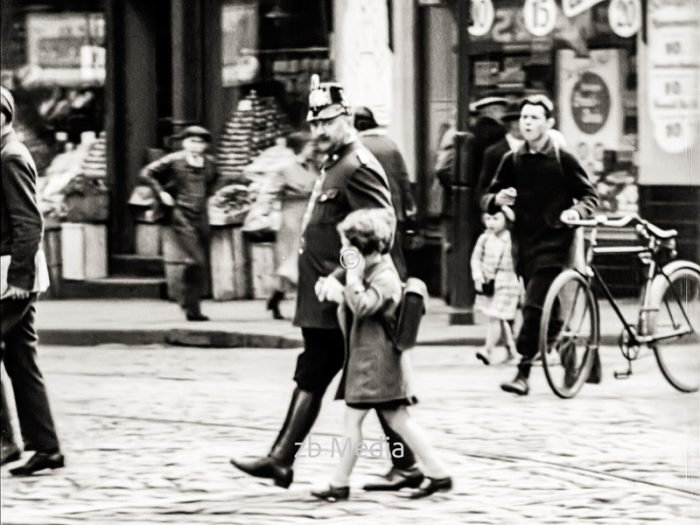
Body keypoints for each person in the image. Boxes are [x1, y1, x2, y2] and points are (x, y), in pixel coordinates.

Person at [230, 75, 425, 491]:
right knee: (359, 378)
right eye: (314, 123)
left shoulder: (357, 163)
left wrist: (342, 275)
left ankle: (282, 459)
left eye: (328, 121)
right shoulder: (334, 161)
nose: (319, 130)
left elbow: (379, 231)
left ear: (347, 117)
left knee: (329, 373)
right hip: (324, 294)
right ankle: (404, 464)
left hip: (341, 296)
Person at [311, 209, 452, 502]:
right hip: (371, 364)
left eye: (346, 245)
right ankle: (438, 474)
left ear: (363, 247)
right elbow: (358, 307)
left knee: (367, 422)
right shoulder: (374, 272)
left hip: (376, 366)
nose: (343, 251)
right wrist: (338, 292)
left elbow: (364, 307)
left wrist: (349, 281)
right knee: (394, 421)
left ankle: (340, 483)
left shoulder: (383, 277)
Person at [481, 94, 599, 396]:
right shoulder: (513, 159)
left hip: (556, 244)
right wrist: (497, 199)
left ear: (549, 123)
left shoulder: (562, 158)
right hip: (524, 246)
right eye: (524, 117)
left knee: (533, 306)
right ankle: (569, 349)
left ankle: (522, 372)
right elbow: (486, 196)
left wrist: (576, 211)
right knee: (548, 310)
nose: (527, 122)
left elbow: (589, 197)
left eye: (534, 117)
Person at [1, 86, 64, 475]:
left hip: (12, 274)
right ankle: (46, 448)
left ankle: (6, 441)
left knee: (21, 359)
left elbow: (29, 222)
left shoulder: (10, 156)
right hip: (10, 271)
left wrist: (20, 278)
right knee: (21, 360)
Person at [138, 125, 219, 321]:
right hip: (181, 213)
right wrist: (162, 193)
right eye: (191, 141)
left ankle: (190, 304)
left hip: (201, 214)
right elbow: (147, 173)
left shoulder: (210, 163)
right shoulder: (174, 160)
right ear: (184, 143)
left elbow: (213, 182)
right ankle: (190, 304)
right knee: (196, 260)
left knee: (199, 262)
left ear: (205, 145)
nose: (195, 146)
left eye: (200, 142)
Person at [353, 106, 417, 280]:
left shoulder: (355, 148)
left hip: (363, 211)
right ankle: (400, 290)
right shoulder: (390, 145)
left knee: (364, 255)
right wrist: (408, 206)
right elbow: (403, 178)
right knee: (394, 254)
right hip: (392, 209)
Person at [266, 131, 319, 320]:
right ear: (300, 147)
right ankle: (296, 304)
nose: (314, 148)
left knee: (304, 261)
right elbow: (270, 191)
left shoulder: (315, 165)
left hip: (311, 215)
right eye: (310, 145)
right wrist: (267, 212)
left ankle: (277, 297)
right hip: (291, 218)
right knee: (294, 260)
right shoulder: (285, 168)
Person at [471, 211, 519, 365]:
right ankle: (512, 351)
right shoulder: (484, 239)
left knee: (495, 315)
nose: (491, 223)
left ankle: (487, 349)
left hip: (508, 281)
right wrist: (478, 277)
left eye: (496, 219)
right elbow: (475, 259)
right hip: (489, 282)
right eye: (488, 219)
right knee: (500, 318)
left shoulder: (512, 239)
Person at [476, 102, 523, 200]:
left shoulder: (536, 149)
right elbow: (483, 190)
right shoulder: (494, 152)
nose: (520, 126)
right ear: (509, 124)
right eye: (516, 122)